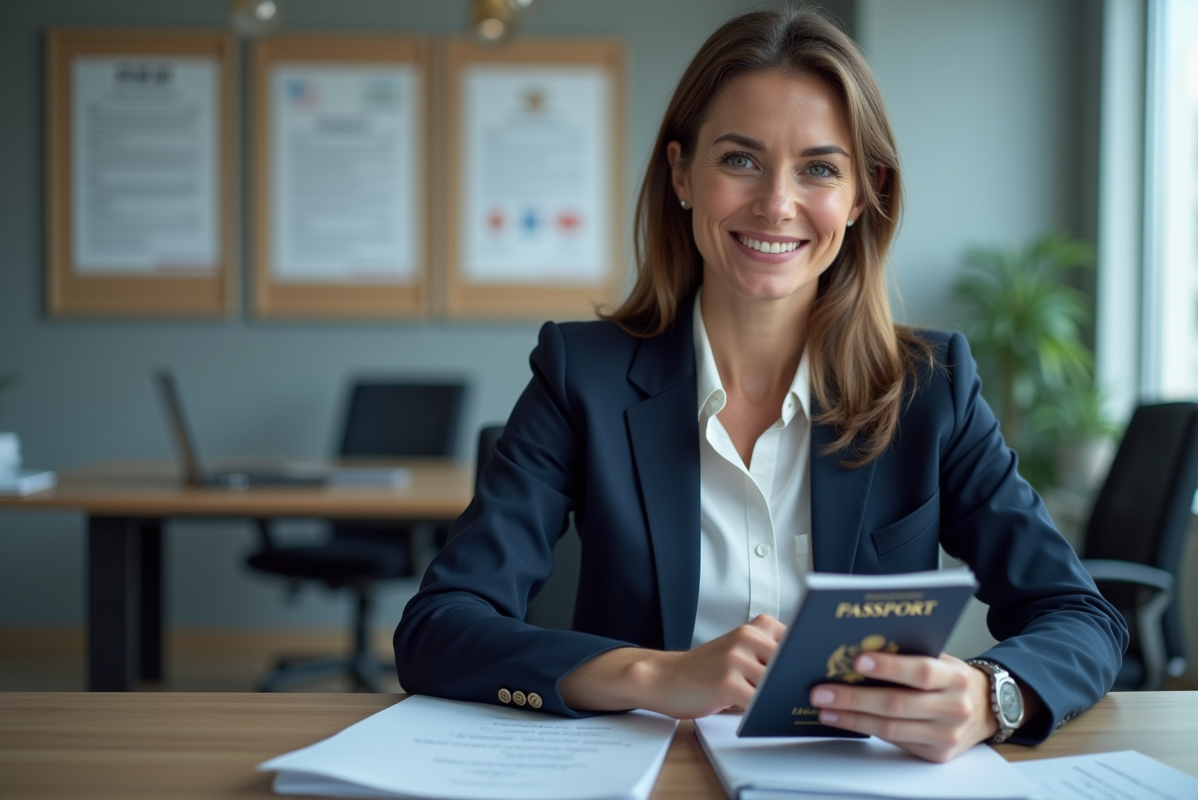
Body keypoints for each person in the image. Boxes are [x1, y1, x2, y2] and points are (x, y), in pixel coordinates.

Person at [395, 8, 1126, 763]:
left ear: (863, 193)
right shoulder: (582, 374)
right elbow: (438, 627)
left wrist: (990, 694)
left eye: (820, 168)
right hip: (652, 775)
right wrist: (653, 674)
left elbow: (1080, 616)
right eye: (740, 159)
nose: (776, 204)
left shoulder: (930, 388)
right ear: (682, 173)